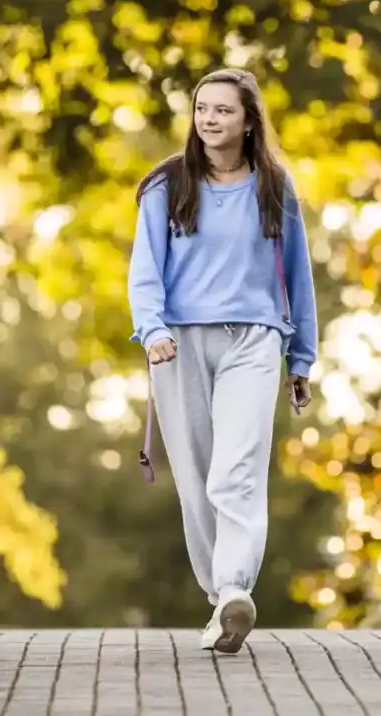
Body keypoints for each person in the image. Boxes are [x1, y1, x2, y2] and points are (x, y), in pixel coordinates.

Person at [127, 68, 318, 655]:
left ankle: (235, 586)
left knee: (236, 470)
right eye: (202, 109)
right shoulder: (167, 184)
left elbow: (298, 276)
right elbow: (144, 270)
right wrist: (152, 329)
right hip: (177, 344)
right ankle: (221, 601)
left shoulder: (275, 189)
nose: (210, 119)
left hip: (254, 340)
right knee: (197, 477)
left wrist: (301, 357)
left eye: (223, 111)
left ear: (248, 120)